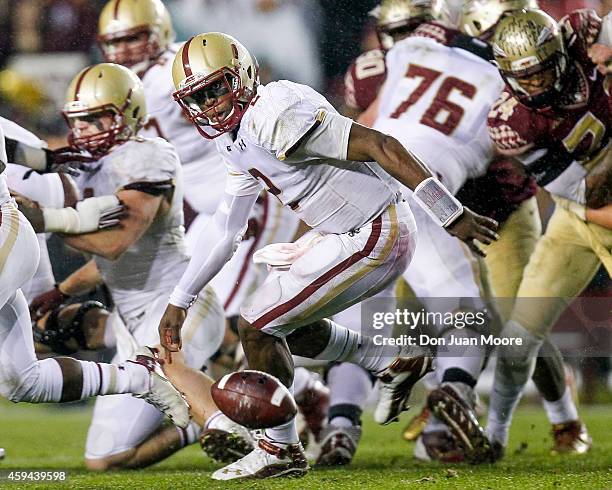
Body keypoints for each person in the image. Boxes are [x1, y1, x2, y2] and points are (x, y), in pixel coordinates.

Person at [157, 31, 498, 480]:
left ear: (241, 76)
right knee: (279, 324)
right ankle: (391, 361)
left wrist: (450, 214)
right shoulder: (234, 138)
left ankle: (279, 449)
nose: (210, 104)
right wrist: (179, 302)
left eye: (216, 88)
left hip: (375, 229)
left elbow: (383, 147)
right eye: (198, 96)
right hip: (342, 233)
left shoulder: (276, 113)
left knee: (257, 326)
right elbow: (226, 227)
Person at [28, 62, 252, 470]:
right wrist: (60, 291)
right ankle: (202, 421)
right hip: (129, 323)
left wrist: (45, 219)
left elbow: (115, 243)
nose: (87, 130)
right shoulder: (86, 167)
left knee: (167, 364)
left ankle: (226, 424)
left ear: (127, 113)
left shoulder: (148, 155)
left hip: (179, 304)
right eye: (80, 121)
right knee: (105, 458)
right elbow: (110, 265)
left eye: (98, 118)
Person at [471, 8, 610, 462]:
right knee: (518, 335)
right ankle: (492, 436)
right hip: (583, 214)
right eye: (521, 77)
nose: (533, 85)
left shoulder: (581, 32)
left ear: (559, 54)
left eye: (541, 72)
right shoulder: (511, 123)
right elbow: (591, 193)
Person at [0, 122, 188, 435]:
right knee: (21, 381)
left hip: (4, 232)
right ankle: (138, 377)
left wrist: (63, 211)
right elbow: (9, 147)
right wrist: (42, 159)